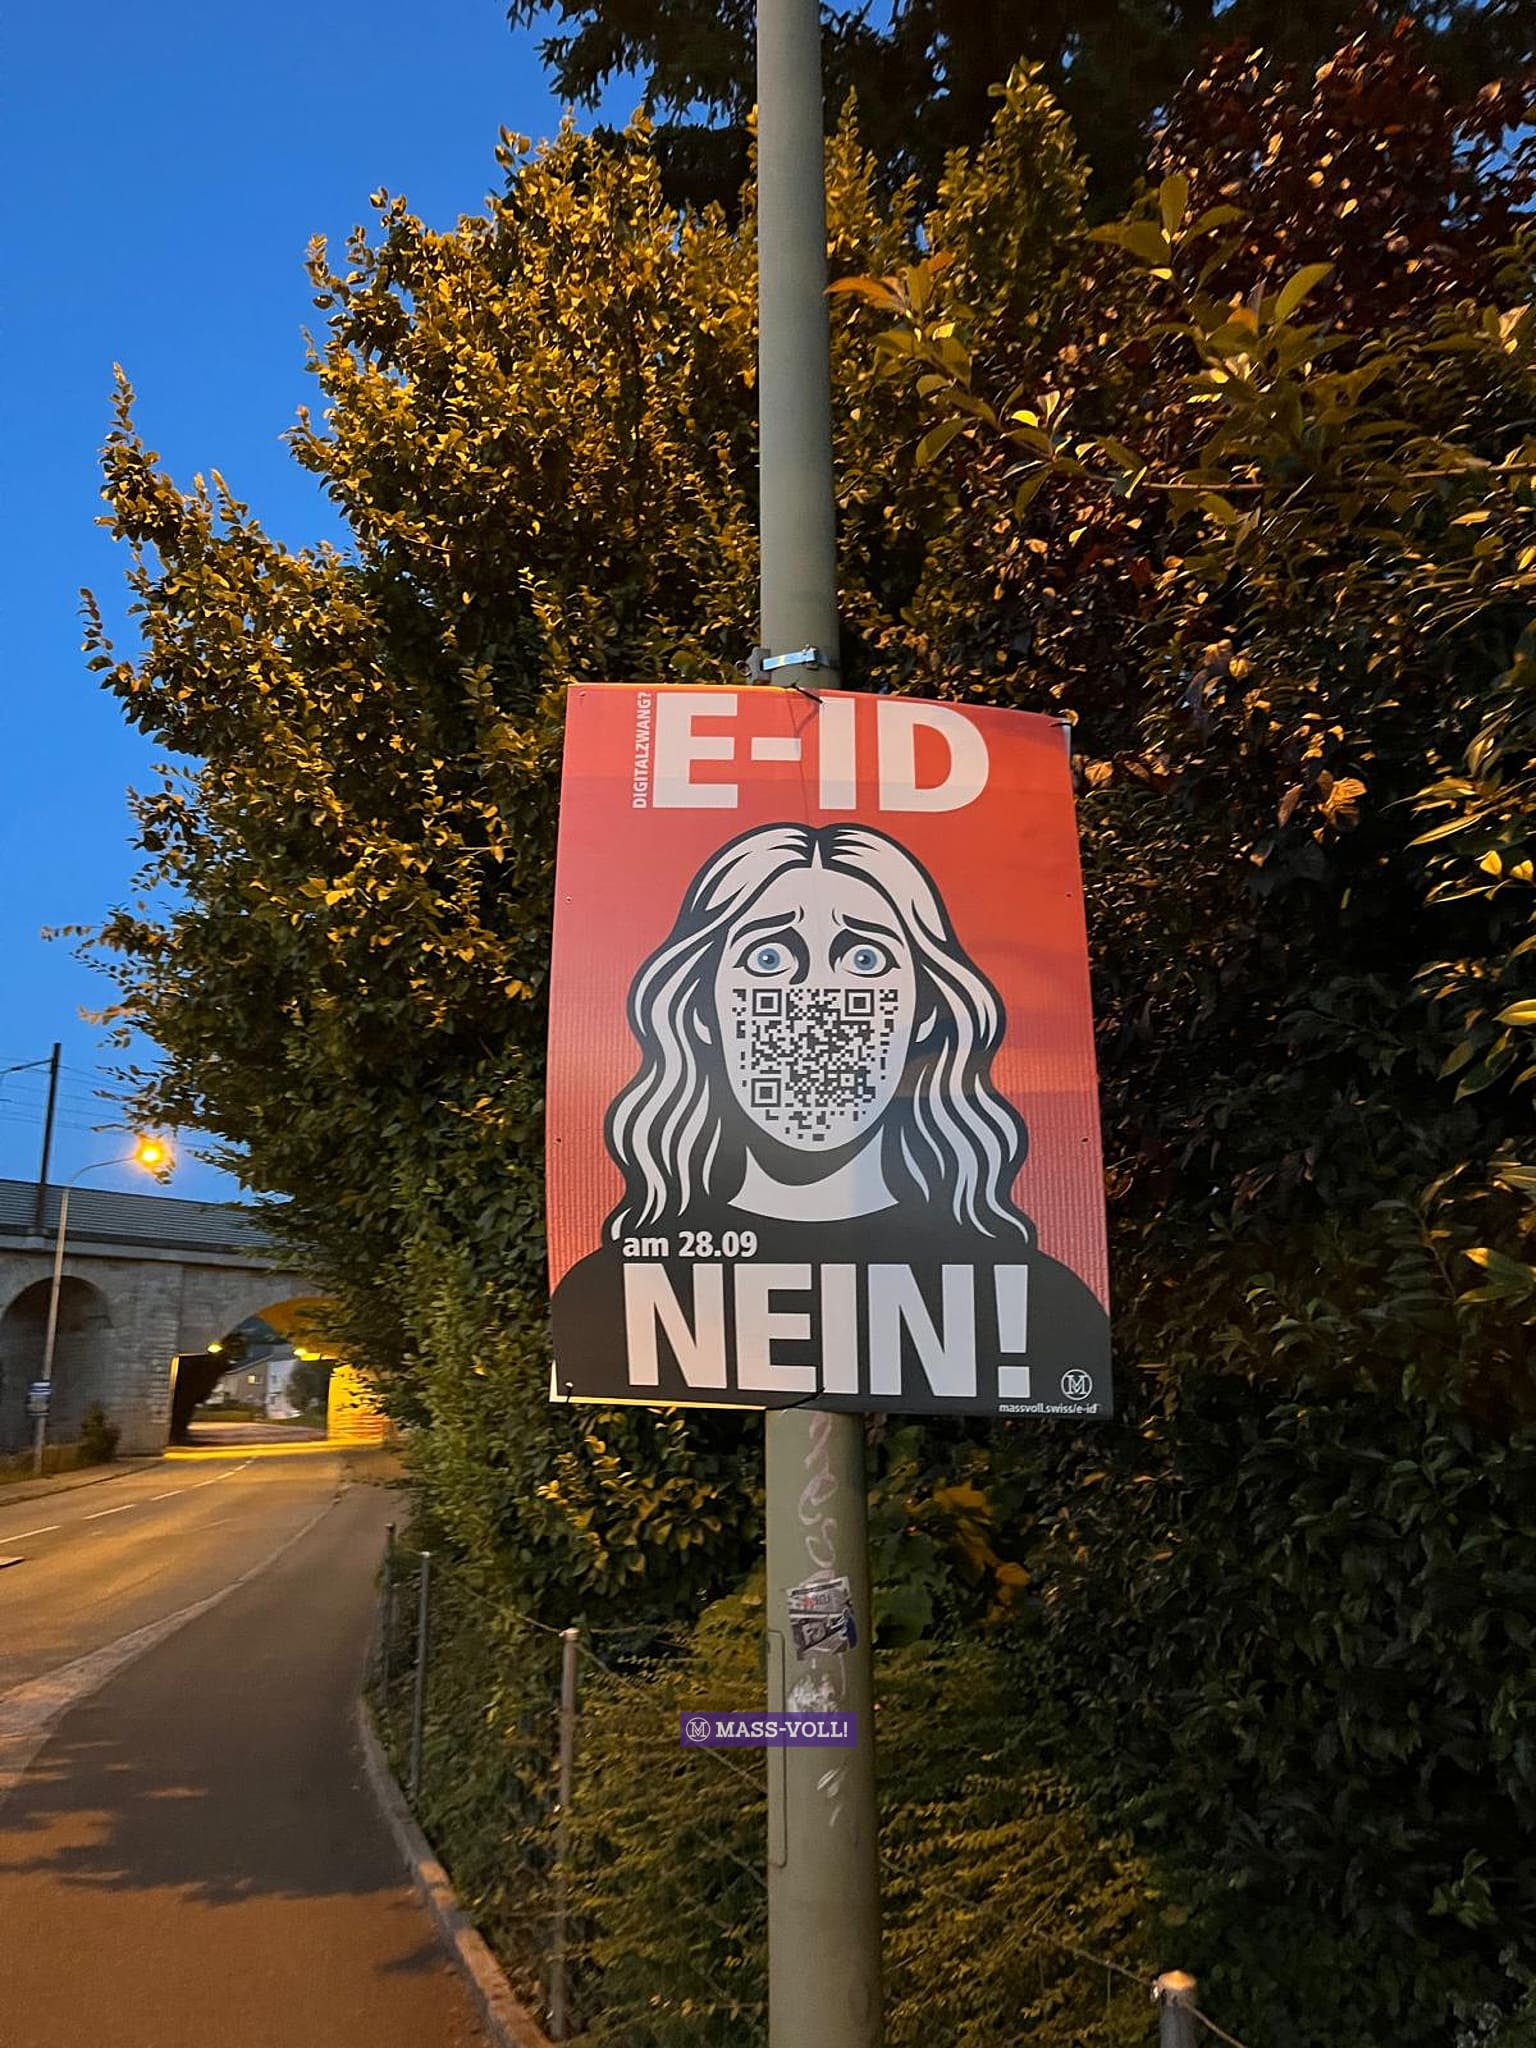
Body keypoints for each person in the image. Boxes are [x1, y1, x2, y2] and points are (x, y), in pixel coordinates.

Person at [551, 822, 1109, 1411]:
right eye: (769, 958)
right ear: (702, 1012)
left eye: (864, 958)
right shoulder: (606, 1300)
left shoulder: (1039, 1304)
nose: (817, 1002)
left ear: (926, 1011)